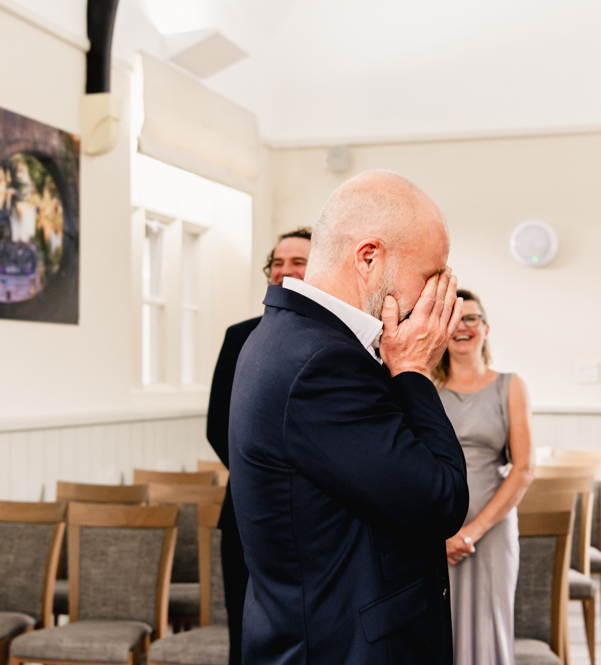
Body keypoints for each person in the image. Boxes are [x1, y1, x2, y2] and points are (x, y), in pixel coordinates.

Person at [229, 170, 470, 665]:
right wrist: (417, 371)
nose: (438, 297)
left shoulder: (289, 336)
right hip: (341, 647)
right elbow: (439, 501)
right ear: (369, 257)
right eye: (431, 276)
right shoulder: (322, 361)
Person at [206, 227, 312, 665]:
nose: (284, 271)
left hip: (316, 519)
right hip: (249, 510)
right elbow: (219, 426)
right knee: (248, 634)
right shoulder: (240, 336)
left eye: (298, 262)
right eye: (277, 263)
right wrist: (271, 482)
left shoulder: (343, 340)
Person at [435, 290, 535, 665]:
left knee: (490, 626)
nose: (462, 326)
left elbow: (524, 468)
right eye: (454, 319)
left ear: (486, 328)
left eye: (471, 318)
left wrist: (471, 531)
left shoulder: (510, 386)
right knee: (438, 626)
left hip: (490, 533)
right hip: (434, 532)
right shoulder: (425, 389)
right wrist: (440, 535)